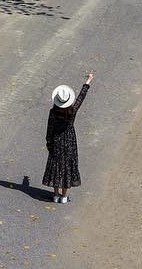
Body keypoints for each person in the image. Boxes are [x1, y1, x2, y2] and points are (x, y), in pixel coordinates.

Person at [44, 73, 94, 204]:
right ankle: (64, 196)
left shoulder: (53, 112)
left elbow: (49, 129)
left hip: (56, 141)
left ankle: (55, 195)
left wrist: (49, 142)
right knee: (67, 167)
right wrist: (88, 81)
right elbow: (81, 97)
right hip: (70, 141)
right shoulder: (72, 110)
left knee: (56, 166)